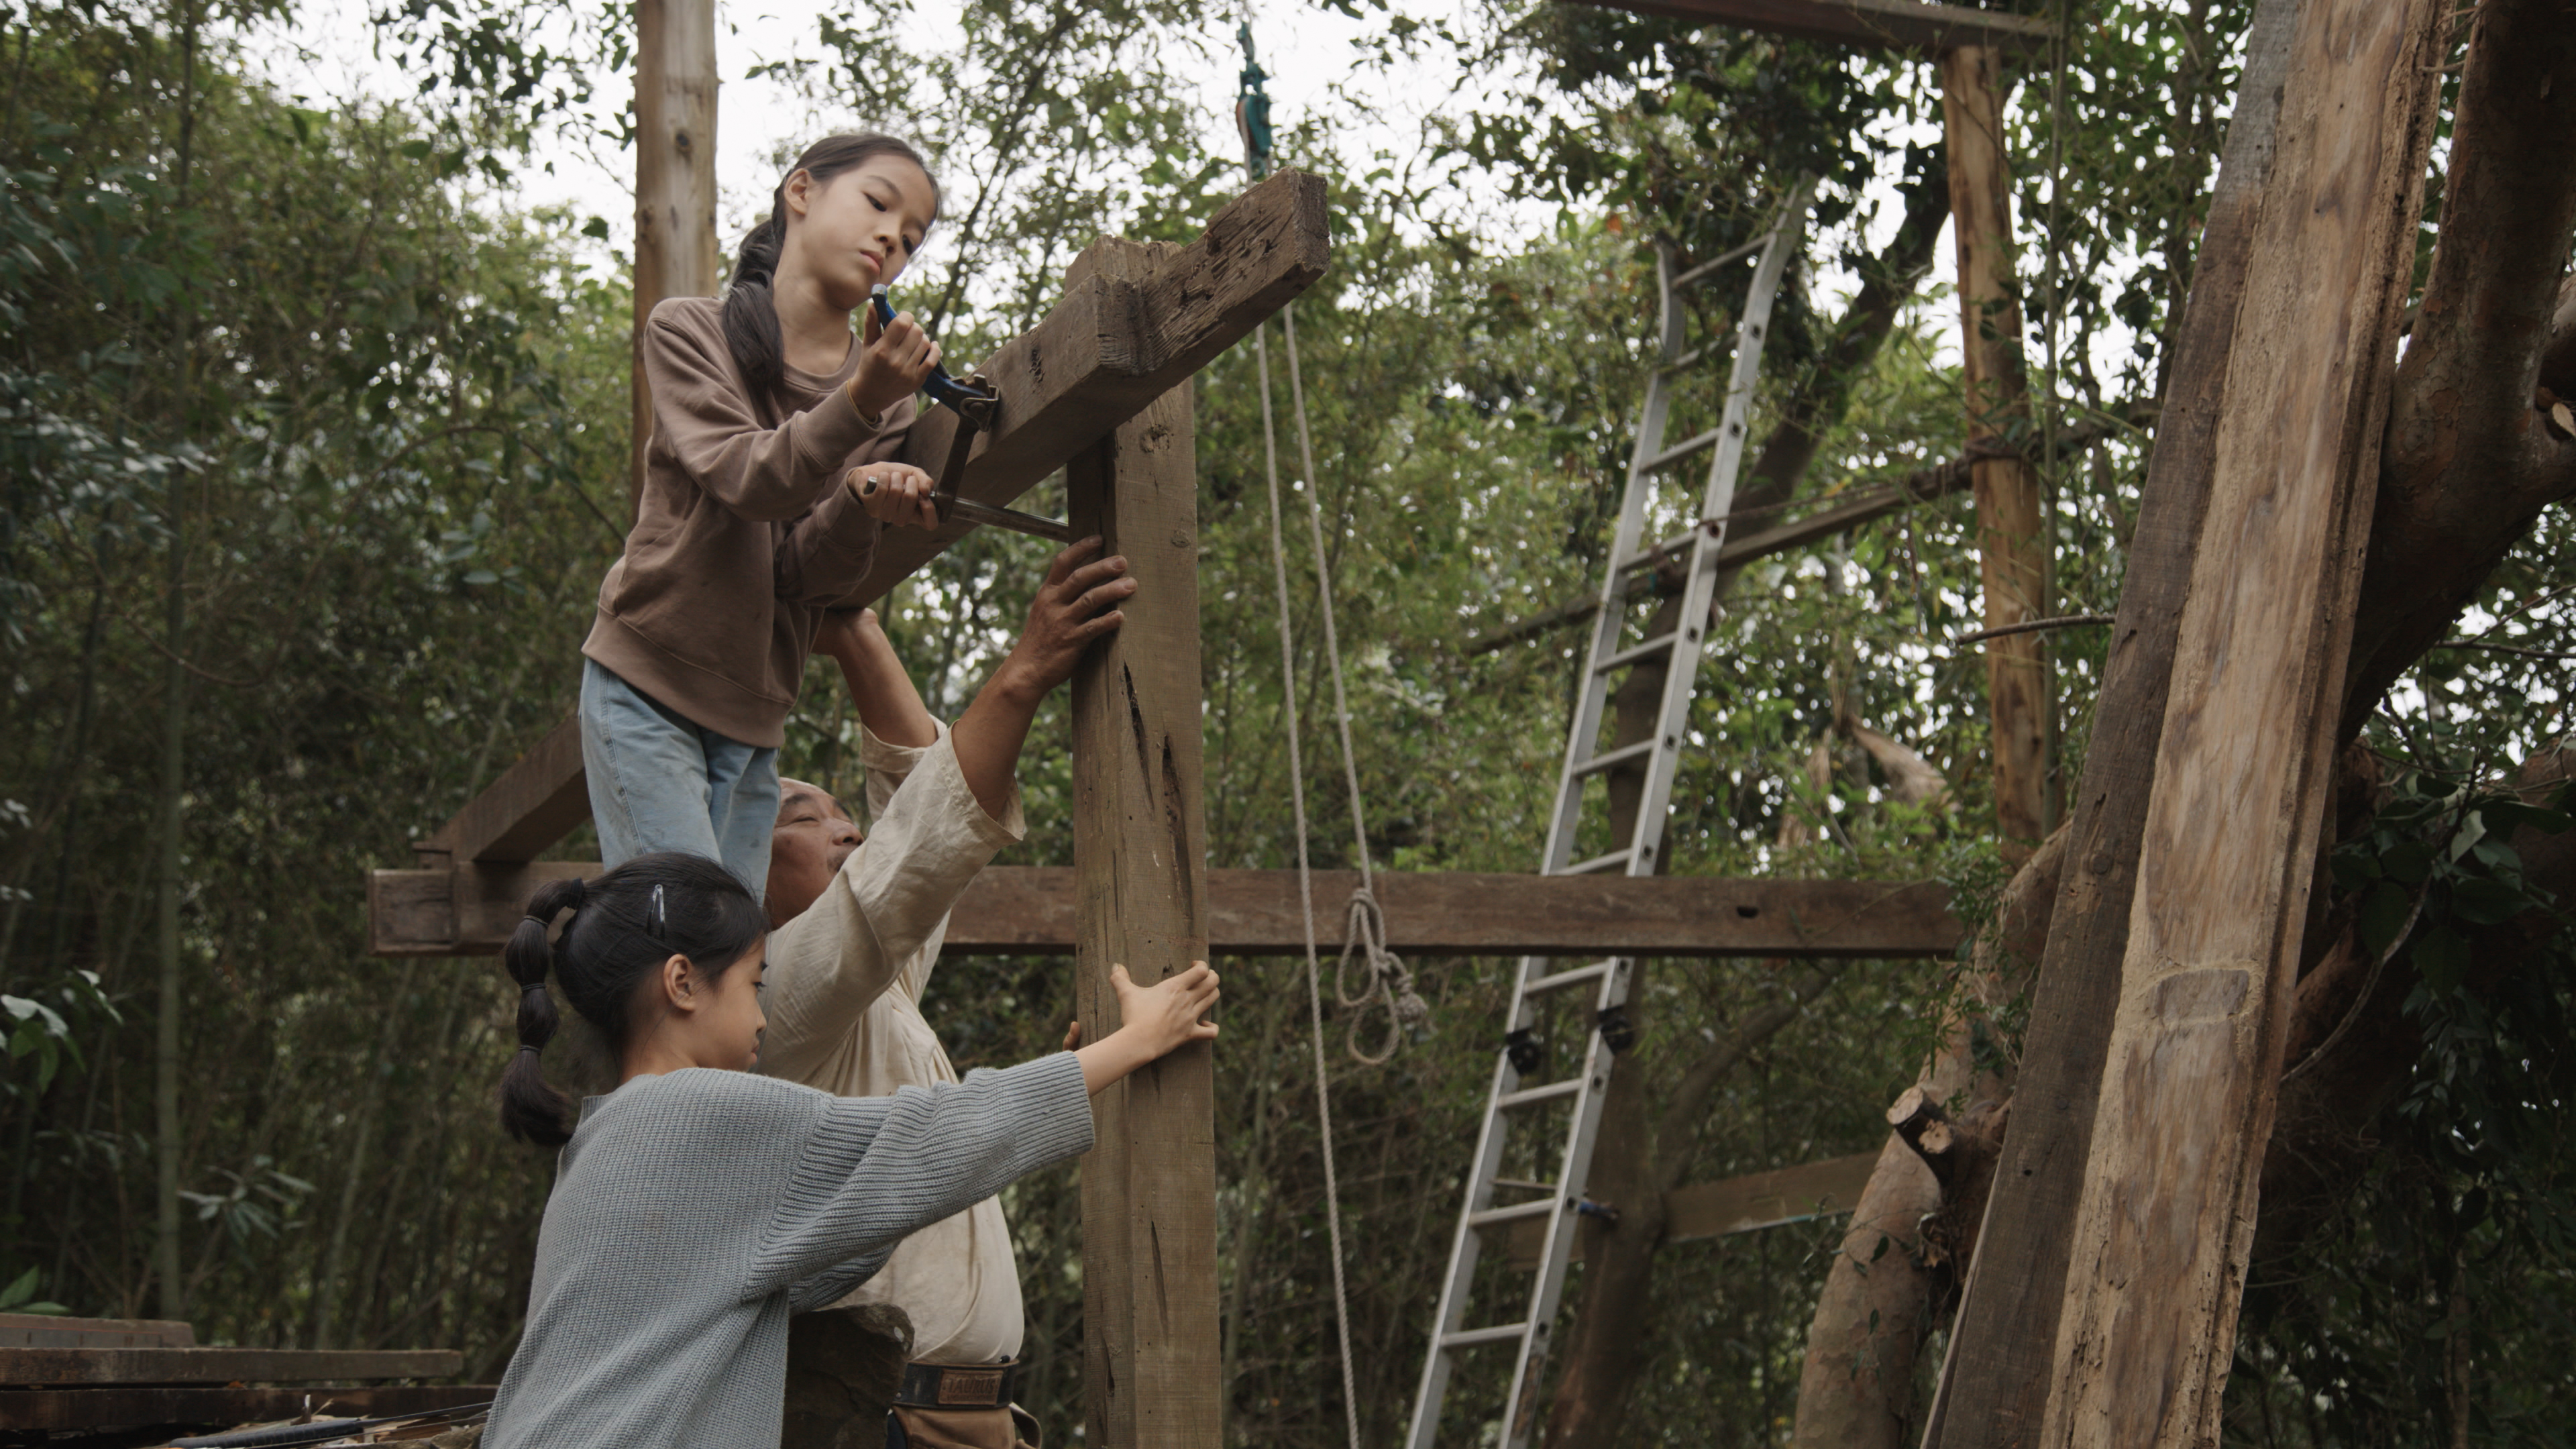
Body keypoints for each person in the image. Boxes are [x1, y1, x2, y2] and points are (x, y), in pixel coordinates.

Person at [481, 851, 1220, 1449]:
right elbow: (927, 1140)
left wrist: (1075, 1077)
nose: (763, 1017)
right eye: (753, 984)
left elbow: (836, 1240)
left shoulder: (607, 1133)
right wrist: (1135, 1043)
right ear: (682, 983)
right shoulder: (707, 1111)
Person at [756, 542, 1133, 1449]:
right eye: (804, 817)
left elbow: (910, 814)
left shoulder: (871, 994)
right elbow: (908, 857)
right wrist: (1024, 671)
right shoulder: (775, 999)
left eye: (842, 812)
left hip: (970, 1418)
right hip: (875, 1420)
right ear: (735, 871)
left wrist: (853, 629)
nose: (844, 825)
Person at [578, 132, 950, 900]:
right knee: (684, 935)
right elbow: (747, 477)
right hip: (648, 685)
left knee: (732, 957)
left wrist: (859, 500)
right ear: (802, 192)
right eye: (879, 204)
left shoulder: (889, 403)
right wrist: (858, 405)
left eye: (911, 238)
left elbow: (808, 576)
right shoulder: (689, 330)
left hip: (755, 720)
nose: (892, 238)